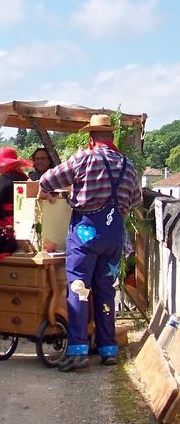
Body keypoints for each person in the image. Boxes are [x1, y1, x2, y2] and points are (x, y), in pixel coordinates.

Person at [38, 114, 142, 372]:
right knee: (106, 290)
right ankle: (108, 349)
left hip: (85, 232)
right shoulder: (127, 166)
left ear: (90, 137)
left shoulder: (84, 158)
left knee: (78, 288)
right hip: (114, 235)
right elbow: (135, 200)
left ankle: (77, 350)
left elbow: (47, 180)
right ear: (111, 137)